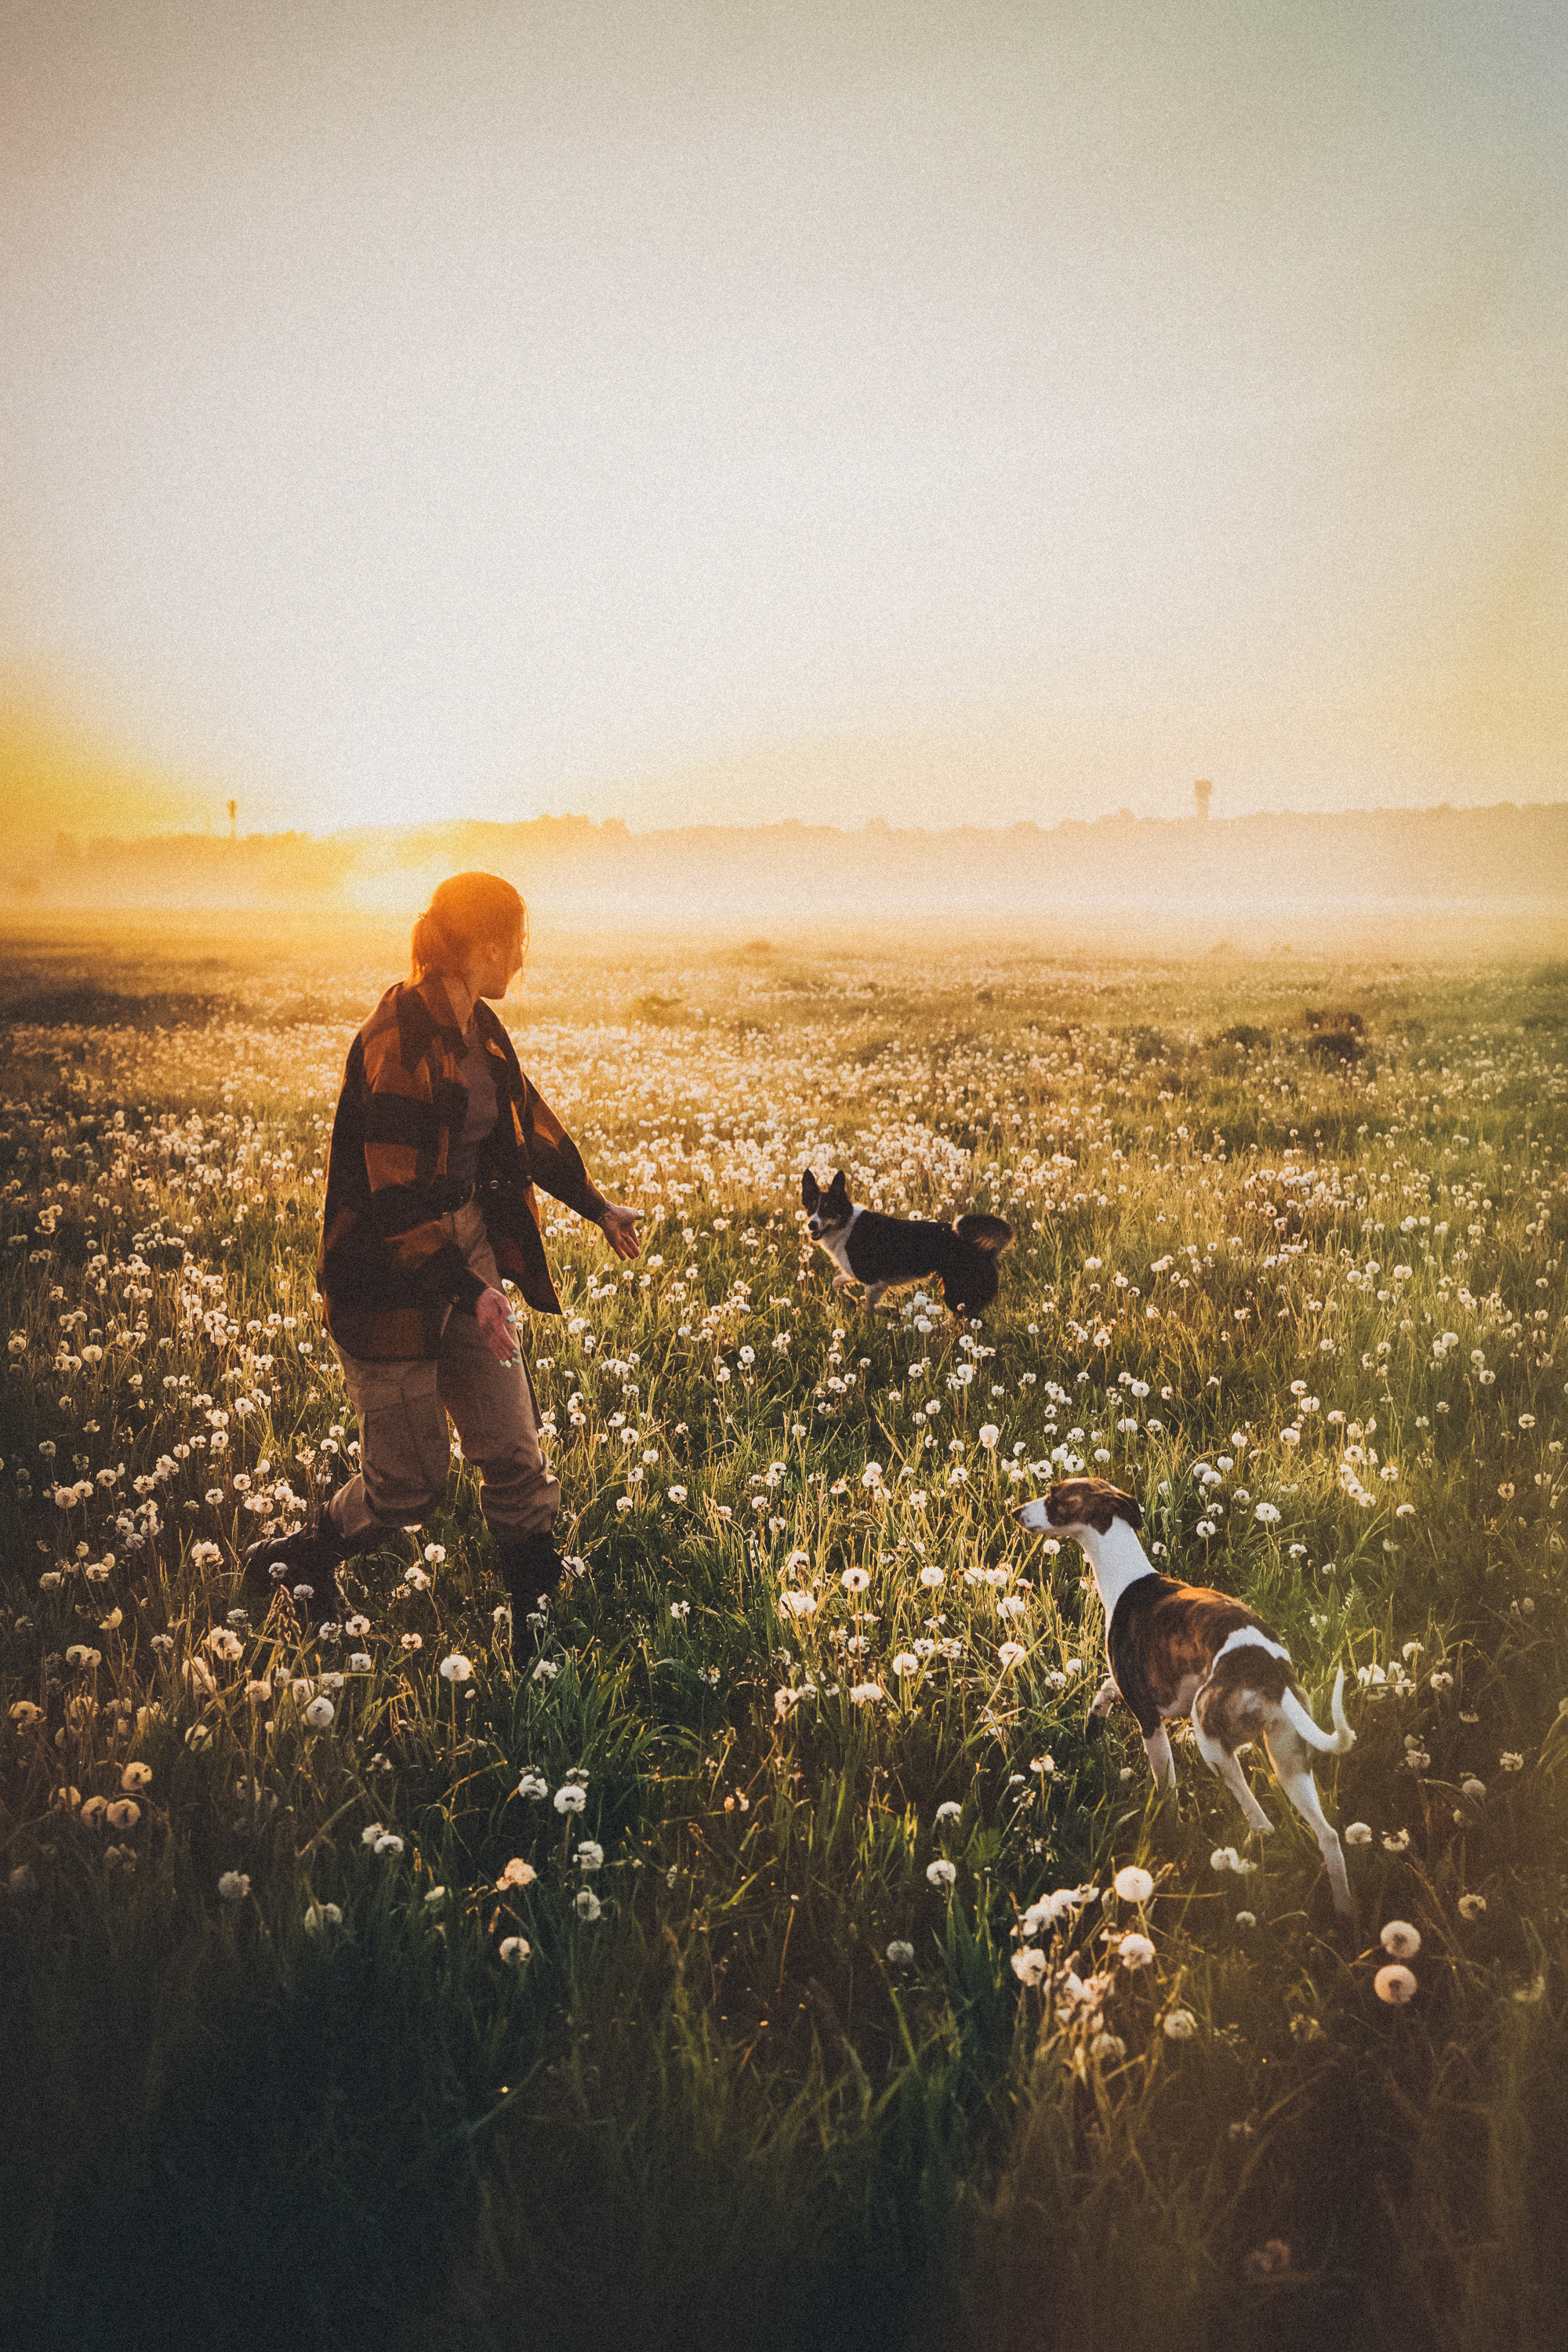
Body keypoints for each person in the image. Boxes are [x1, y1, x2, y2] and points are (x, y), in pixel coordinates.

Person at [244, 870, 638, 1624]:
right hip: (387, 1277)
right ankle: (297, 1559)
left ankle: (538, 1643)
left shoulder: (480, 1029)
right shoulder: (398, 1038)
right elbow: (396, 1199)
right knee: (408, 1486)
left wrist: (595, 1206)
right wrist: (470, 1291)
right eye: (517, 941)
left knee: (515, 1453)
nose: (522, 958)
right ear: (484, 945)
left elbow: (525, 1125)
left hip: (467, 1255)